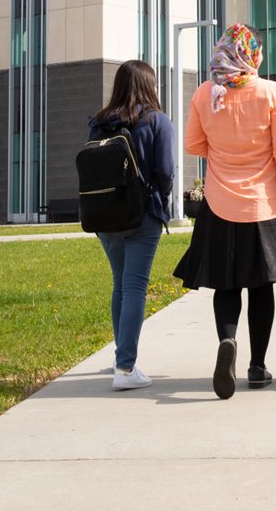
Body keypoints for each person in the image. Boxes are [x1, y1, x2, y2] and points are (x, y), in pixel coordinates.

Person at [173, 24, 276, 400]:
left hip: (219, 203)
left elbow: (192, 143)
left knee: (226, 283)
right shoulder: (271, 92)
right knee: (261, 286)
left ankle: (227, 340)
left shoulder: (205, 93)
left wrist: (222, 151)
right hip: (264, 204)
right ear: (252, 54)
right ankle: (257, 366)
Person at [89, 59, 175, 391]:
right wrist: (159, 197)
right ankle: (125, 368)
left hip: (104, 215)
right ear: (149, 86)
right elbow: (165, 171)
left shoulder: (98, 122)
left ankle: (121, 358)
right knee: (135, 287)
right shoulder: (157, 121)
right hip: (142, 214)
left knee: (120, 285)